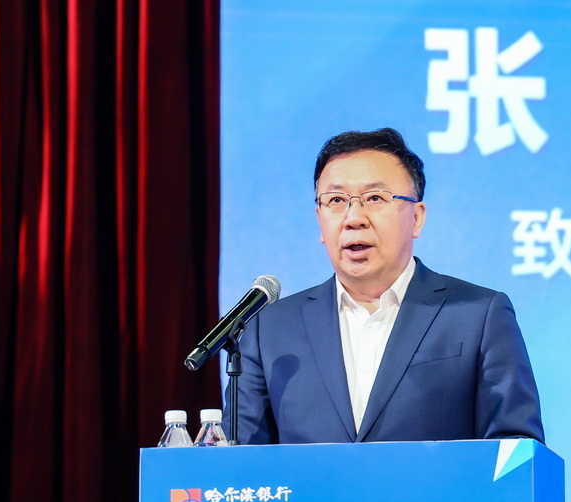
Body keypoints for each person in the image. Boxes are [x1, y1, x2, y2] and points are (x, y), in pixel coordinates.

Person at [224, 127, 544, 444]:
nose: (354, 218)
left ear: (416, 218)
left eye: (375, 198)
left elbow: (514, 450)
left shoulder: (478, 315)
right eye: (336, 200)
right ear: (319, 219)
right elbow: (237, 465)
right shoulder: (269, 329)